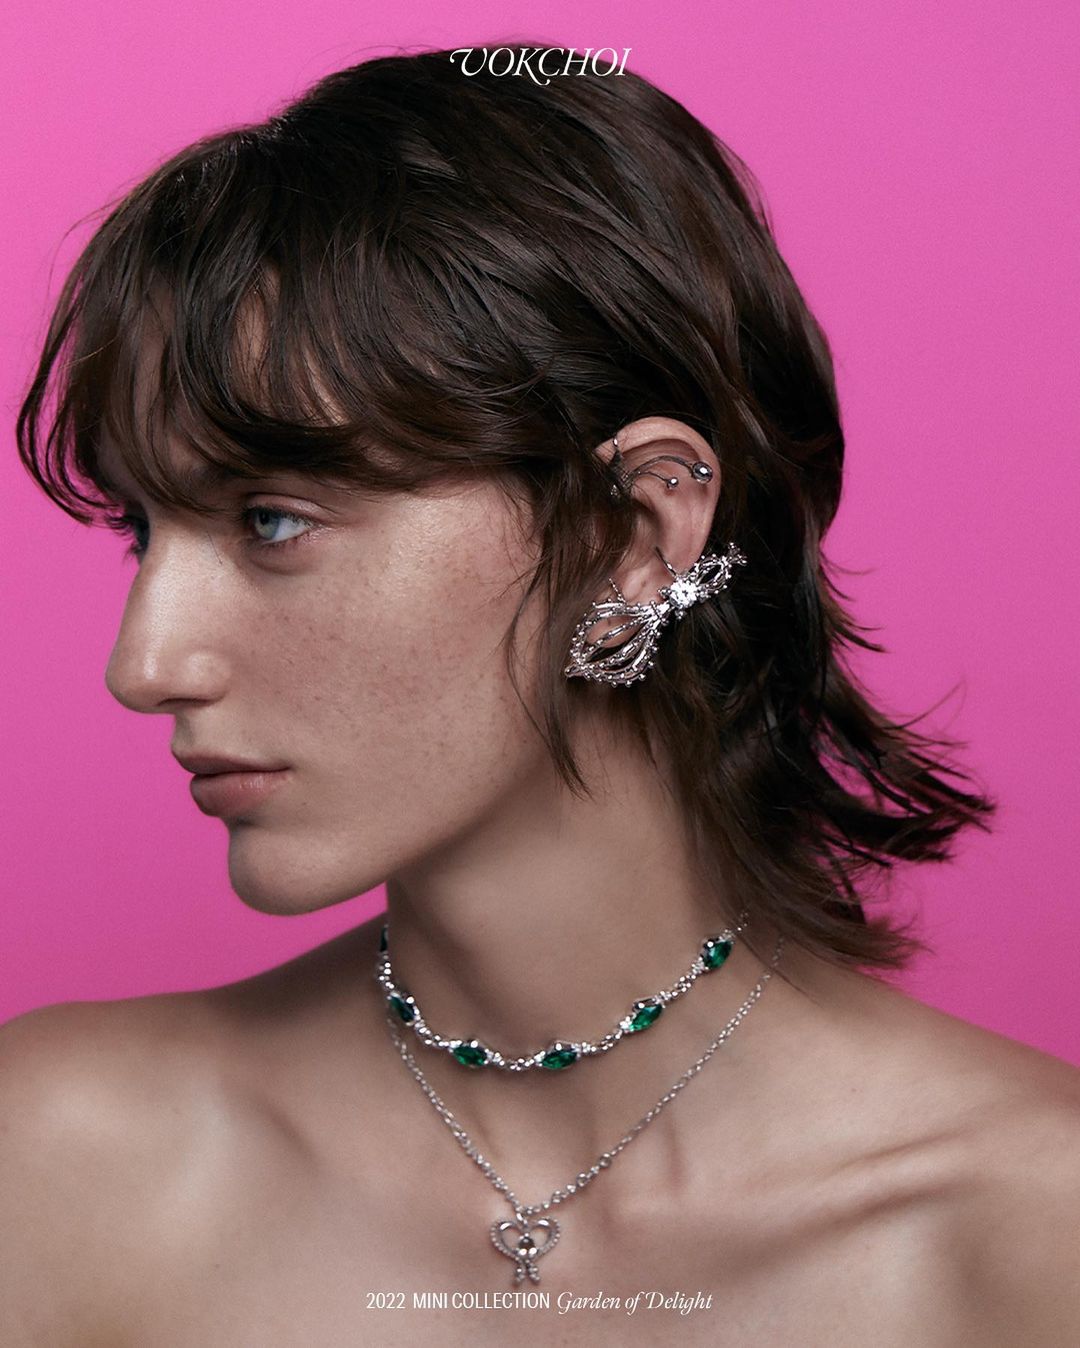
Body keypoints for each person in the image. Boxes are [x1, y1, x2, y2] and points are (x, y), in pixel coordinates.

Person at [3, 43, 1079, 1345]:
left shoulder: (1029, 1235)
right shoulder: (57, 1163)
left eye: (273, 521)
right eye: (143, 532)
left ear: (635, 533)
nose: (143, 666)